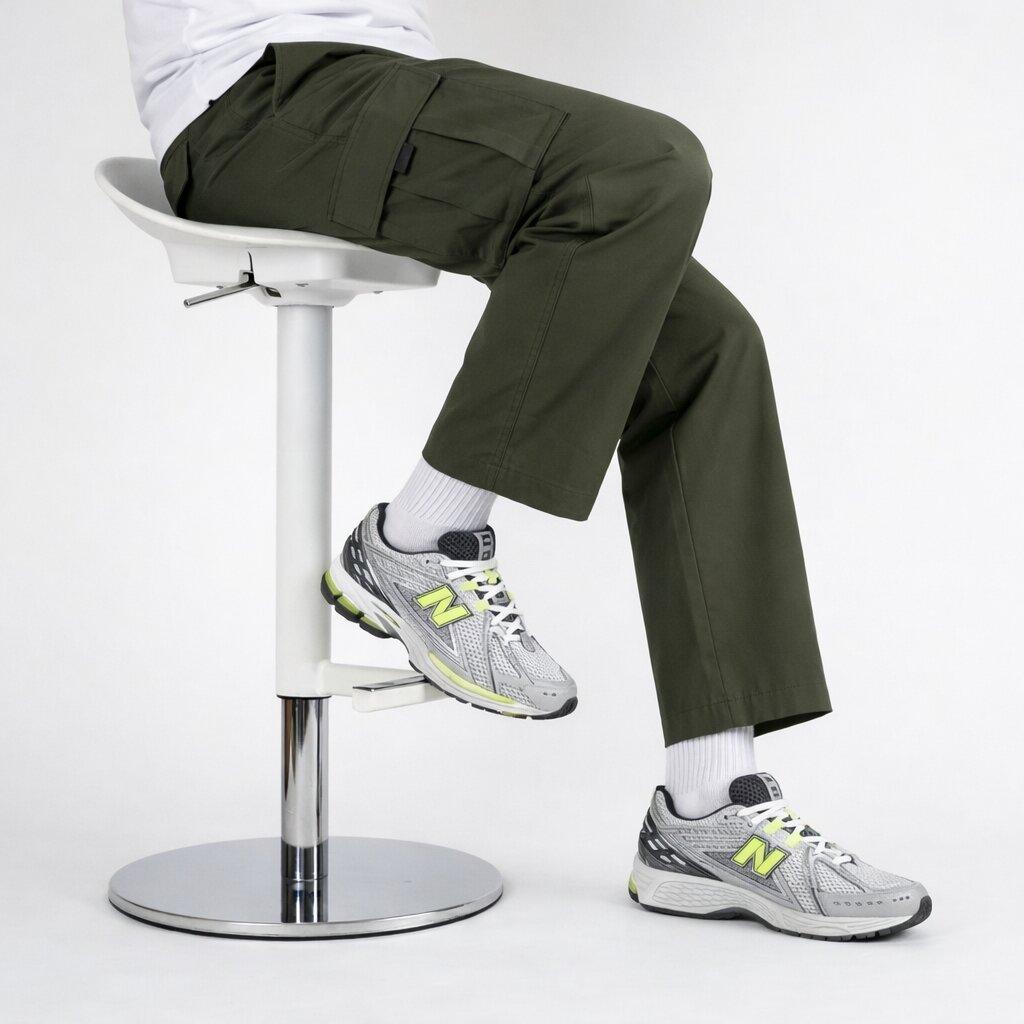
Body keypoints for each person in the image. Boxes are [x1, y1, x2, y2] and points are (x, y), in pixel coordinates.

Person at [122, 0, 929, 939]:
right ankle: (421, 539)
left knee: (705, 346)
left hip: (381, 84)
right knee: (639, 164)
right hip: (254, 99)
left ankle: (708, 810)